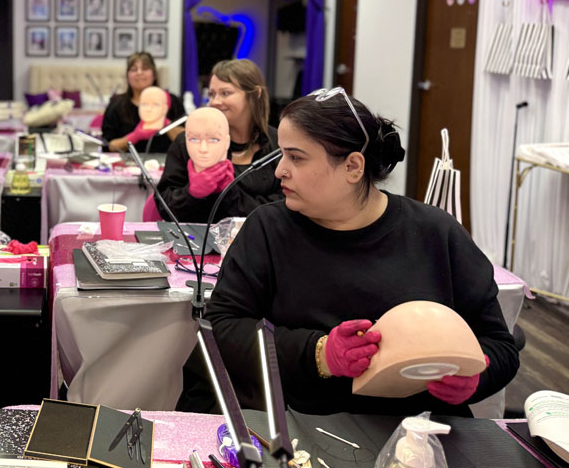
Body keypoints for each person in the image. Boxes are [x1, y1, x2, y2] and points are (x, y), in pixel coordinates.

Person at [204, 89, 519, 416]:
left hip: (424, 438)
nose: (279, 170)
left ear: (353, 167)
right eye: (281, 155)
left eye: (296, 157)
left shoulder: (435, 233)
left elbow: (500, 347)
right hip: (305, 431)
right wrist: (320, 353)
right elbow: (223, 329)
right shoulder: (269, 229)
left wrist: (476, 377)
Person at [157, 59, 282, 222]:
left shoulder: (279, 144)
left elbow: (284, 208)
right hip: (195, 242)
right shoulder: (189, 141)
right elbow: (164, 206)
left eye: (225, 93)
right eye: (211, 94)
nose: (214, 102)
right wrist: (191, 193)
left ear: (255, 94)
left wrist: (230, 194)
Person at [102, 52, 185, 151]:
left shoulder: (172, 101)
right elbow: (108, 146)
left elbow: (188, 140)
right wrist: (135, 136)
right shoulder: (116, 104)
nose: (139, 72)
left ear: (154, 75)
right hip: (128, 163)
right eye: (134, 69)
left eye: (145, 68)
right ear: (128, 76)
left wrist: (164, 122)